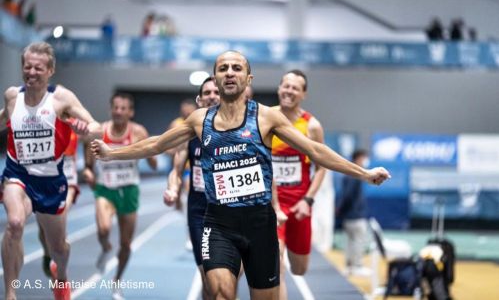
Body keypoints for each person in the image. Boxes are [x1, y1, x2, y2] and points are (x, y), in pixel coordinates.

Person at [90, 50, 390, 300]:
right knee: (220, 293)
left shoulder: (265, 117)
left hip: (260, 224)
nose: (229, 72)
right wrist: (110, 153)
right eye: (223, 68)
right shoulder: (199, 120)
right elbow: (156, 143)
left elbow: (315, 151)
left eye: (237, 68)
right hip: (219, 223)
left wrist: (363, 173)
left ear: (248, 79)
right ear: (216, 78)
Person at [0, 41, 101, 300]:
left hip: (50, 180)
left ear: (50, 71)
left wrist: (85, 130)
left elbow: (97, 128)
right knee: (14, 224)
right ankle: (10, 292)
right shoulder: (13, 96)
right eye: (27, 67)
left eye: (38, 68)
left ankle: (62, 275)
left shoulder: (61, 99)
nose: (31, 73)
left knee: (58, 248)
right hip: (18, 173)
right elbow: (4, 118)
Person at [82, 92, 157, 300]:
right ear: (110, 109)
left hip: (129, 190)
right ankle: (105, 247)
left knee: (125, 244)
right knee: (104, 229)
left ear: (130, 112)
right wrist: (88, 172)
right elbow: (88, 163)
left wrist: (150, 155)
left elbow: (153, 163)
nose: (118, 111)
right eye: (115, 107)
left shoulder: (138, 132)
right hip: (105, 189)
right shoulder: (99, 132)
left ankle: (116, 281)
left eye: (123, 108)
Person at [271, 69, 326, 300]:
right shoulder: (266, 119)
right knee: (276, 267)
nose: (289, 91)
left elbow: (322, 167)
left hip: (299, 205)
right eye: (286, 86)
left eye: (295, 88)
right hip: (271, 205)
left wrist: (308, 200)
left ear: (303, 94)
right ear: (279, 89)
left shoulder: (312, 126)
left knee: (299, 268)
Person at [163, 77, 220, 300]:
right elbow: (176, 170)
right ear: (200, 99)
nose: (212, 96)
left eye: (216, 91)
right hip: (199, 211)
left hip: (230, 211)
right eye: (207, 92)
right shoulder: (187, 133)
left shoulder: (238, 129)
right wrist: (172, 188)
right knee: (207, 274)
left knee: (226, 276)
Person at [39, 130, 80, 278]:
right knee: (43, 230)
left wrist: (89, 167)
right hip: (45, 181)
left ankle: (59, 267)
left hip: (68, 181)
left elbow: (92, 135)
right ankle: (48, 253)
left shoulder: (74, 125)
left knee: (60, 213)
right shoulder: (42, 121)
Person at [336, 149, 370, 276]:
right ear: (358, 158)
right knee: (357, 241)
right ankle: (356, 266)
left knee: (351, 242)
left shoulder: (349, 174)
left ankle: (350, 266)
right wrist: (343, 210)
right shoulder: (354, 175)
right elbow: (348, 196)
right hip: (355, 216)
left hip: (350, 215)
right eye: (364, 158)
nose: (365, 161)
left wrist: (341, 210)